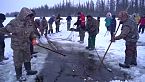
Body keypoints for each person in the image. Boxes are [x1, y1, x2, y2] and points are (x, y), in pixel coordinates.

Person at [0, 7, 38, 81]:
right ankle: (19, 75)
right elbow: (4, 30)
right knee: (18, 61)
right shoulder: (14, 22)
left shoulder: (29, 22)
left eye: (30, 16)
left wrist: (33, 39)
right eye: (27, 16)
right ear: (23, 15)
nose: (29, 18)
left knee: (27, 58)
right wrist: (10, 31)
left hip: (26, 44)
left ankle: (29, 70)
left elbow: (32, 32)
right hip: (17, 46)